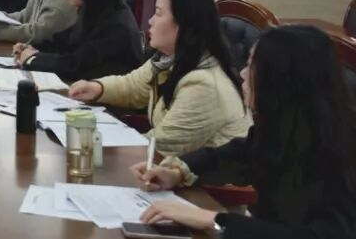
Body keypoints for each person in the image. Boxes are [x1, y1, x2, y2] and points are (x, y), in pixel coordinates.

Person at [133, 25, 356, 238]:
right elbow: (241, 153)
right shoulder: (288, 127)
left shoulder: (339, 156)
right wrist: (178, 172)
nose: (242, 74)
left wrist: (214, 220)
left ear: (279, 81)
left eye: (251, 66)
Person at [68, 0, 250, 156]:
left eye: (158, 13)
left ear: (184, 24)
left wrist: (96, 145)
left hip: (204, 178)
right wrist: (97, 88)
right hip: (169, 167)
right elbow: (133, 86)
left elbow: (161, 146)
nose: (150, 20)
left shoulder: (204, 85)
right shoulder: (168, 60)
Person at [15, 0, 143, 81]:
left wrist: (33, 59)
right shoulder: (95, 7)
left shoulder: (117, 27)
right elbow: (65, 41)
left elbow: (76, 65)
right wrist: (34, 48)